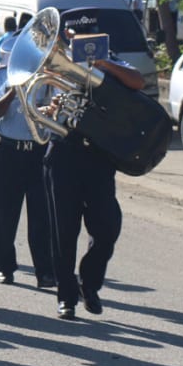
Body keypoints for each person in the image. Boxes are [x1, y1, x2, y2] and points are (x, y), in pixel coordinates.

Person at [43, 44, 145, 319]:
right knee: (64, 231)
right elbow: (44, 103)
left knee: (107, 228)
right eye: (74, 35)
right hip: (64, 152)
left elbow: (138, 80)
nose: (79, 41)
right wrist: (54, 107)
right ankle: (66, 297)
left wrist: (104, 64)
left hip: (99, 157)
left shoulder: (111, 62)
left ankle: (89, 284)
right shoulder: (57, 64)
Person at [0, 32, 55, 289]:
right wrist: (13, 90)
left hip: (40, 152)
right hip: (9, 152)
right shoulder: (4, 73)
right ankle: (4, 267)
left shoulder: (51, 76)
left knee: (43, 216)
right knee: (3, 215)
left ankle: (45, 271)